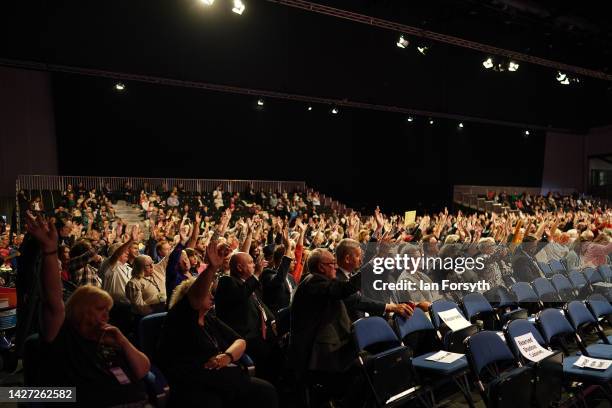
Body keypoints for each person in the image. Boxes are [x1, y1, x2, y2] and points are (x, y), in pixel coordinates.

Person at [24, 212, 150, 407]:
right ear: (82, 309)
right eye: (100, 309)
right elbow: (52, 301)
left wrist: (122, 341)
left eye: (107, 310)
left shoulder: (108, 336)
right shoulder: (63, 333)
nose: (106, 315)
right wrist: (49, 250)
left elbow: (143, 370)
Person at [157, 239, 278, 408]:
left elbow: (240, 341)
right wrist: (212, 268)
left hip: (221, 374)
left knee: (266, 391)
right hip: (193, 379)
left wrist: (226, 356)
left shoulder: (210, 319)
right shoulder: (181, 316)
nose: (212, 296)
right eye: (208, 293)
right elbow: (195, 296)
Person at [335, 238, 413, 321]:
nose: (361, 260)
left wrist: (383, 253)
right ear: (347, 259)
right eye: (358, 256)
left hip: (371, 318)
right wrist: (390, 307)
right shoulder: (338, 281)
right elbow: (360, 302)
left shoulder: (352, 273)